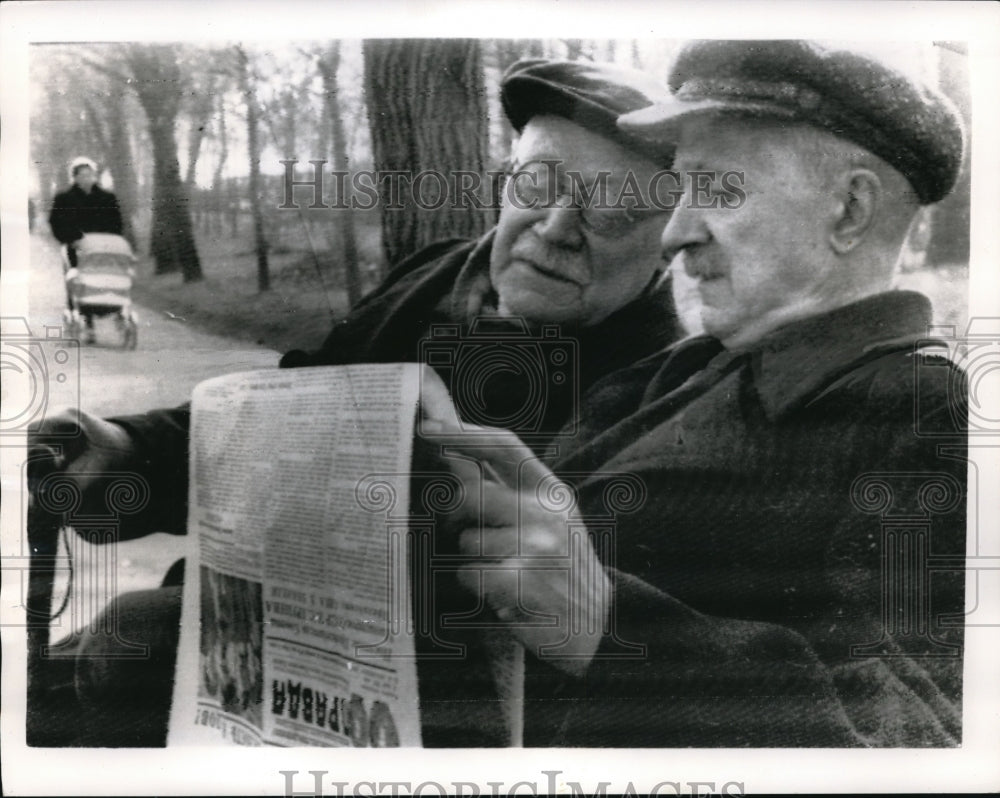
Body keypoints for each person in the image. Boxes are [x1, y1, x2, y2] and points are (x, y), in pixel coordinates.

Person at [28, 58, 684, 745]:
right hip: (231, 654)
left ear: (667, 241)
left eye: (611, 207)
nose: (554, 226)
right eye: (538, 182)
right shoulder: (430, 277)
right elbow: (272, 422)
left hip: (431, 727)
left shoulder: (666, 385)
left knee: (133, 645)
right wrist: (127, 450)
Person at [427, 40, 968, 746]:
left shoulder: (931, 420)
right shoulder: (676, 372)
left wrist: (611, 627)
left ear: (849, 211)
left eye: (715, 188)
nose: (677, 233)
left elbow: (919, 742)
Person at [49, 157, 125, 342]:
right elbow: (56, 222)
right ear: (75, 177)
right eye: (82, 175)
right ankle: (87, 323)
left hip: (102, 247)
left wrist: (110, 239)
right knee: (78, 279)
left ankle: (117, 310)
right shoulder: (64, 198)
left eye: (90, 174)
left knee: (110, 276)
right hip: (77, 247)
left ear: (95, 176)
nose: (87, 178)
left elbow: (117, 222)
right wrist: (72, 239)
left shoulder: (107, 198)